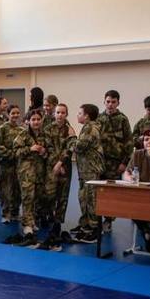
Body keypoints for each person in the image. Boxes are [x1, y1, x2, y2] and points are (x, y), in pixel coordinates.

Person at [98, 90, 133, 233]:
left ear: (118, 102)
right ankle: (95, 220)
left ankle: (108, 220)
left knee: (110, 193)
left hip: (115, 163)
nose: (110, 104)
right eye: (108, 101)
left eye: (113, 102)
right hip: (100, 161)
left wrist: (124, 163)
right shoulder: (98, 119)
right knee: (98, 191)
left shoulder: (123, 119)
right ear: (104, 102)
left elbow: (129, 143)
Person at [41, 103, 76, 248]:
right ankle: (47, 216)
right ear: (54, 114)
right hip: (50, 167)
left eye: (63, 113)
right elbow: (48, 148)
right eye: (58, 112)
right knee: (49, 195)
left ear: (66, 114)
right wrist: (56, 163)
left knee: (63, 197)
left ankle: (57, 223)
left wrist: (61, 163)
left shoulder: (70, 130)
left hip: (65, 168)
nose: (60, 115)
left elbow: (71, 147)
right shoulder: (48, 129)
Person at [70, 104, 104, 244]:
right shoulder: (88, 127)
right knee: (84, 197)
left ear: (87, 116)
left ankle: (95, 230)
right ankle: (87, 225)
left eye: (80, 113)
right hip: (85, 169)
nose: (77, 115)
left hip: (91, 169)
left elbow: (79, 147)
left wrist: (71, 137)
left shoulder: (90, 128)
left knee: (91, 199)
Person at [12, 110, 47, 246]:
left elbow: (47, 151)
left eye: (38, 119)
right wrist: (30, 149)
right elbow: (15, 152)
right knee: (27, 197)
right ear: (28, 121)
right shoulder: (23, 134)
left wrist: (44, 152)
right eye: (33, 119)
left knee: (37, 197)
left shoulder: (44, 134)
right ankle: (27, 224)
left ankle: (32, 221)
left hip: (39, 171)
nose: (36, 122)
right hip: (26, 171)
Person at [0, 105, 23, 224]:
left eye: (17, 113)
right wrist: (12, 154)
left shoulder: (22, 129)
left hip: (18, 165)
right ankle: (6, 214)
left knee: (17, 190)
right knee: (5, 190)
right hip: (5, 164)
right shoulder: (2, 128)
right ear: (8, 114)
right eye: (13, 113)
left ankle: (15, 212)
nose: (15, 115)